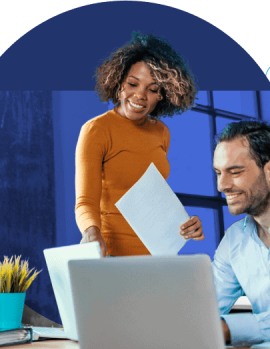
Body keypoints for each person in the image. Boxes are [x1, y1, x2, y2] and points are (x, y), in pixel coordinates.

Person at [75, 31, 205, 257]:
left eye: (152, 89)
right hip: (112, 255)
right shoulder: (96, 130)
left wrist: (187, 224)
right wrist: (91, 233)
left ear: (162, 95)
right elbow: (85, 202)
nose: (140, 96)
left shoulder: (161, 132)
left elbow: (153, 198)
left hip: (159, 258)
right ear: (118, 84)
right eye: (132, 84)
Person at [212, 120, 270, 346]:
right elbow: (204, 306)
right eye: (218, 172)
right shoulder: (235, 239)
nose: (222, 185)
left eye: (234, 172)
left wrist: (228, 328)